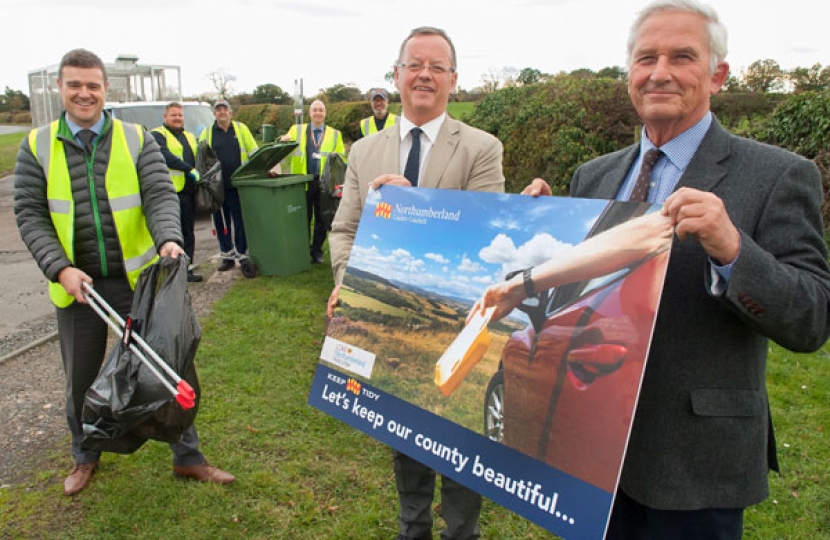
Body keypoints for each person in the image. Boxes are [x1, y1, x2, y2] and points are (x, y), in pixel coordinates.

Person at [517, 2, 830, 538]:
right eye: (646, 58)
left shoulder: (779, 174)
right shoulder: (594, 176)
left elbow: (811, 319)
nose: (660, 72)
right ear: (630, 75)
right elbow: (582, 285)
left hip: (694, 462)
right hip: (591, 447)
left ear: (718, 74)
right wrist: (538, 226)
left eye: (682, 56)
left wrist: (732, 249)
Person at [13, 48, 235, 496]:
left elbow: (158, 194)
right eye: (74, 84)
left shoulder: (136, 139)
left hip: (137, 283)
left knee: (169, 371)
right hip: (78, 287)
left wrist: (168, 237)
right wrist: (60, 270)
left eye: (92, 85)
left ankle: (187, 457)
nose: (84, 93)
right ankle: (84, 456)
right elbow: (30, 214)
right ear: (60, 87)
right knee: (81, 380)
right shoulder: (36, 146)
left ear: (104, 89)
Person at [328, 27, 505, 540]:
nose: (425, 74)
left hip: (455, 321)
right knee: (401, 425)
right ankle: (413, 529)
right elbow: (344, 231)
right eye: (415, 64)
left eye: (437, 67)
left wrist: (409, 210)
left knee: (458, 431)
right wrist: (347, 279)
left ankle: (462, 532)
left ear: (453, 79)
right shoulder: (364, 151)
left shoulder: (481, 148)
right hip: (385, 333)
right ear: (398, 74)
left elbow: (481, 237)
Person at [278, 100, 346, 264]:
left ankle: (316, 252)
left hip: (324, 183)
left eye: (321, 110)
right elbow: (283, 145)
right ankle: (302, 250)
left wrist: (338, 155)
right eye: (315, 110)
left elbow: (343, 157)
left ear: (325, 113)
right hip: (304, 181)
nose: (318, 113)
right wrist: (282, 139)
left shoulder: (335, 134)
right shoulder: (297, 130)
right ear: (310, 113)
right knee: (303, 218)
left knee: (322, 219)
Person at [199, 99, 258, 278]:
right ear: (215, 113)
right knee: (222, 223)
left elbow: (253, 151)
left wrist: (264, 168)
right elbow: (201, 158)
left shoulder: (241, 129)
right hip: (217, 189)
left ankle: (242, 253)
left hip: (238, 185)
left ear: (230, 112)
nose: (222, 112)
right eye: (218, 110)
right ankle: (227, 256)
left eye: (225, 109)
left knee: (240, 221)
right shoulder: (207, 133)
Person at [151, 102, 203, 283]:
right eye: (173, 115)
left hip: (188, 192)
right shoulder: (157, 134)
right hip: (168, 193)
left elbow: (199, 156)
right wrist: (188, 169)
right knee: (171, 234)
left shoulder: (189, 136)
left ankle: (186, 269)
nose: (177, 118)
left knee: (188, 233)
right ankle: (170, 272)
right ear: (165, 117)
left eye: (180, 115)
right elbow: (165, 156)